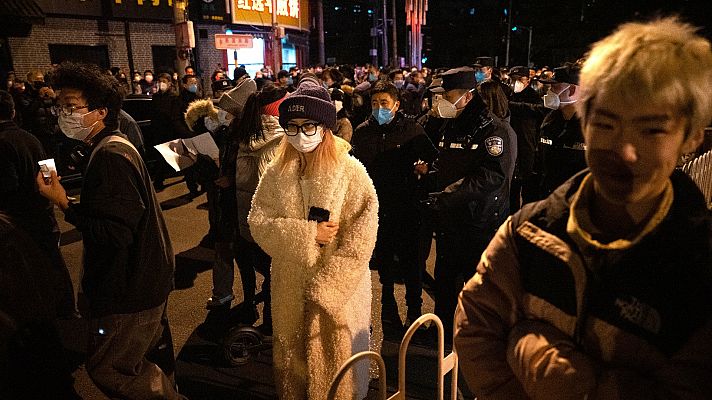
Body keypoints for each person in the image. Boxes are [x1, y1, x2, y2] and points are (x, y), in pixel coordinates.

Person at [454, 17, 712, 399]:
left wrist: (533, 353)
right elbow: (476, 331)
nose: (624, 151)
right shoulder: (528, 231)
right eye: (605, 125)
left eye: (651, 130)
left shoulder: (699, 269)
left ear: (690, 136)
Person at [36, 62, 184, 399]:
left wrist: (63, 203)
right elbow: (119, 211)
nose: (64, 114)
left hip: (131, 289)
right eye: (60, 106)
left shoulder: (110, 155)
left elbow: (115, 233)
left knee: (110, 368)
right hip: (146, 279)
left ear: (101, 111)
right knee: (146, 361)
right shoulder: (113, 145)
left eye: (71, 107)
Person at [247, 79, 378, 399]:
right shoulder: (276, 173)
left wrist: (330, 289)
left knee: (338, 376)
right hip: (289, 288)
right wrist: (306, 235)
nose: (299, 134)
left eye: (309, 126)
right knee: (295, 375)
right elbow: (258, 222)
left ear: (325, 127)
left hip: (339, 298)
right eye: (291, 126)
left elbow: (362, 238)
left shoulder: (351, 172)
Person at [421, 66, 517, 343]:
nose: (441, 102)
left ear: (466, 96)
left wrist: (448, 195)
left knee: (479, 291)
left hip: (480, 225)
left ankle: (479, 343)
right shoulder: (450, 125)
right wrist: (430, 172)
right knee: (446, 286)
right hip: (450, 222)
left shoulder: (493, 130)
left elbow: (492, 176)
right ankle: (444, 338)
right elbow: (448, 164)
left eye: (446, 96)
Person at [352, 81, 437, 336]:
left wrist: (424, 171)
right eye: (375, 103)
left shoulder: (413, 130)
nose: (379, 108)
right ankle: (387, 307)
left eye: (384, 103)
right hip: (377, 209)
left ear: (396, 104)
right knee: (384, 262)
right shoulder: (362, 132)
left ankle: (414, 311)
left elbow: (434, 161)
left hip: (408, 208)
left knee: (412, 264)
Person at [0, 90, 76, 318]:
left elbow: (7, 188)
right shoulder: (30, 137)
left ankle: (47, 316)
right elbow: (49, 173)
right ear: (13, 111)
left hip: (21, 220)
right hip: (43, 212)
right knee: (53, 262)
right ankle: (67, 309)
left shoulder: (3, 144)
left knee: (30, 269)